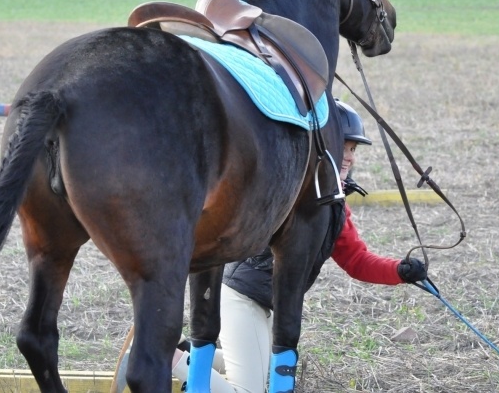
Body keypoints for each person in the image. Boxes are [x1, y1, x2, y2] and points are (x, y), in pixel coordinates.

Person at [164, 100, 427, 393]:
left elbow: (356, 260)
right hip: (241, 298)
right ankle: (165, 356)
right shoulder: (286, 192)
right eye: (344, 146)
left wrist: (400, 272)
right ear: (323, 146)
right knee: (248, 391)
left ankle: (177, 355)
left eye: (354, 149)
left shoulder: (334, 206)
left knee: (257, 366)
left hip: (263, 303)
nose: (349, 156)